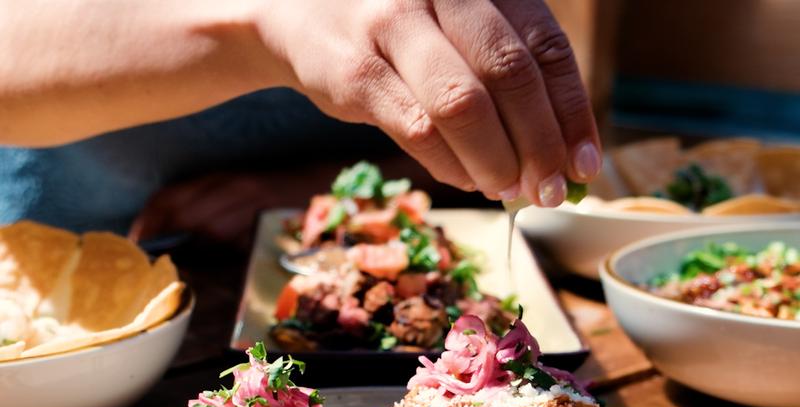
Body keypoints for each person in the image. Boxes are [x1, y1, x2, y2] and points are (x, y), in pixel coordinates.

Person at [0, 0, 602, 242]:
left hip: (337, 304)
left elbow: (487, 115)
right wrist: (266, 24)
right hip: (60, 316)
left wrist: (313, 194)